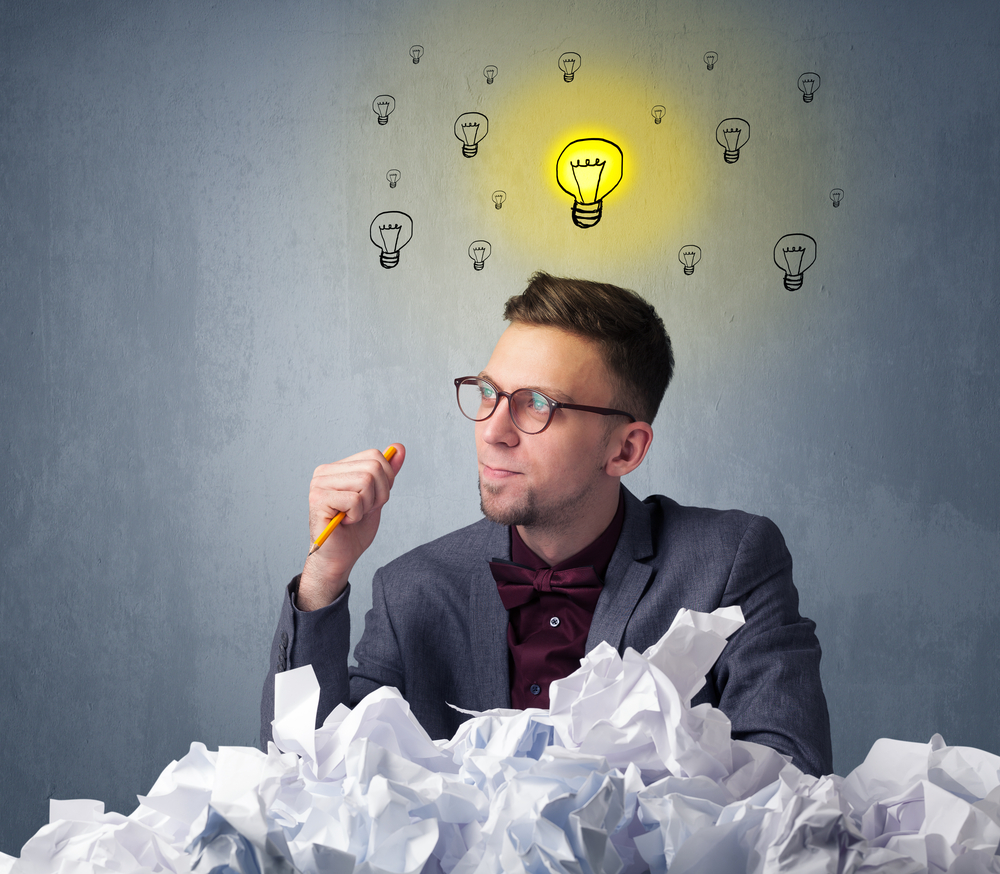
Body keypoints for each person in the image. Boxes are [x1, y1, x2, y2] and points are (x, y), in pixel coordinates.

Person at [261, 272, 833, 776]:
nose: (492, 429)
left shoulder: (729, 562)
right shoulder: (410, 589)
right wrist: (325, 575)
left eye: (537, 404)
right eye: (488, 392)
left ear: (625, 450)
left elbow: (792, 783)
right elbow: (304, 778)